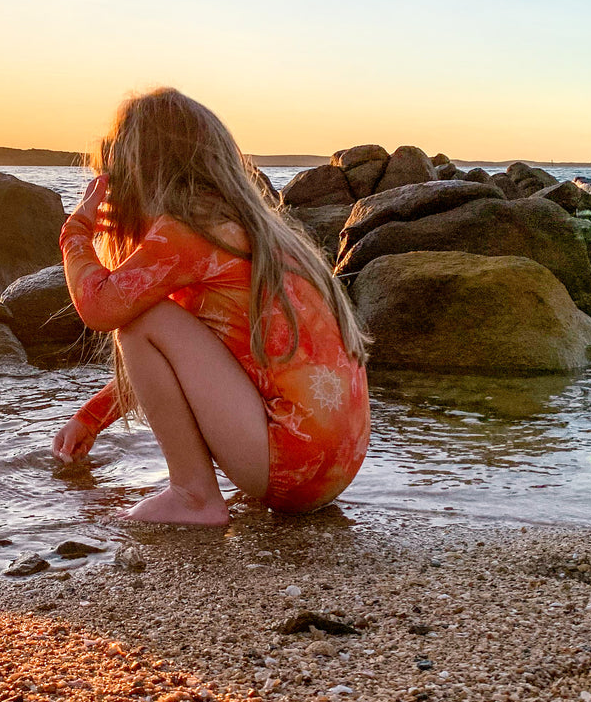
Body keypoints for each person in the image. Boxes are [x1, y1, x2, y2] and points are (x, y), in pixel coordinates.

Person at [52, 87, 370, 525]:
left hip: (288, 467)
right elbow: (193, 362)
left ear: (136, 172)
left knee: (139, 322)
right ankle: (197, 493)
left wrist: (75, 234)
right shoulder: (252, 232)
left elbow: (101, 309)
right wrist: (91, 419)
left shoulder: (187, 230)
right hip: (335, 468)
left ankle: (193, 495)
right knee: (155, 322)